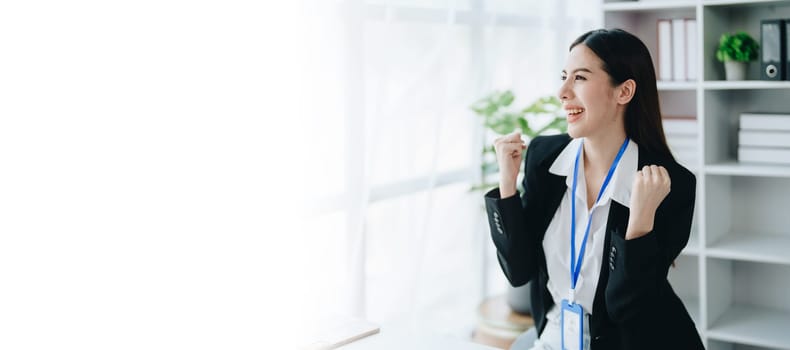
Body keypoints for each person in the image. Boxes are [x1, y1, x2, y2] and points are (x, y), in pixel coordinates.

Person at [484, 28, 704, 350]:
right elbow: (519, 271)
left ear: (624, 92)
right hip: (555, 337)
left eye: (580, 78)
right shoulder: (545, 158)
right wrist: (507, 186)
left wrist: (639, 224)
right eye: (564, 76)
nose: (562, 91)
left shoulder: (671, 184)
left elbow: (626, 308)